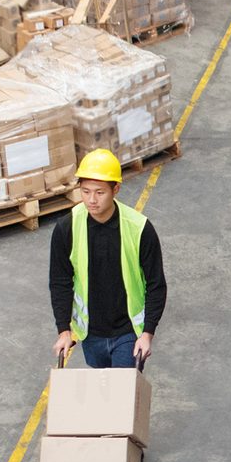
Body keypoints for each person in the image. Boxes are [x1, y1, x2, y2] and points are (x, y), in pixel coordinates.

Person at [51, 149, 167, 370]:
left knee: (121, 399)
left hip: (128, 331)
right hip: (91, 334)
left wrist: (147, 333)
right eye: (85, 192)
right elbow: (60, 282)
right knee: (103, 397)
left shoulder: (140, 229)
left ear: (116, 189)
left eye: (99, 192)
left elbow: (156, 284)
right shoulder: (67, 228)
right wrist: (64, 331)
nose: (91, 200)